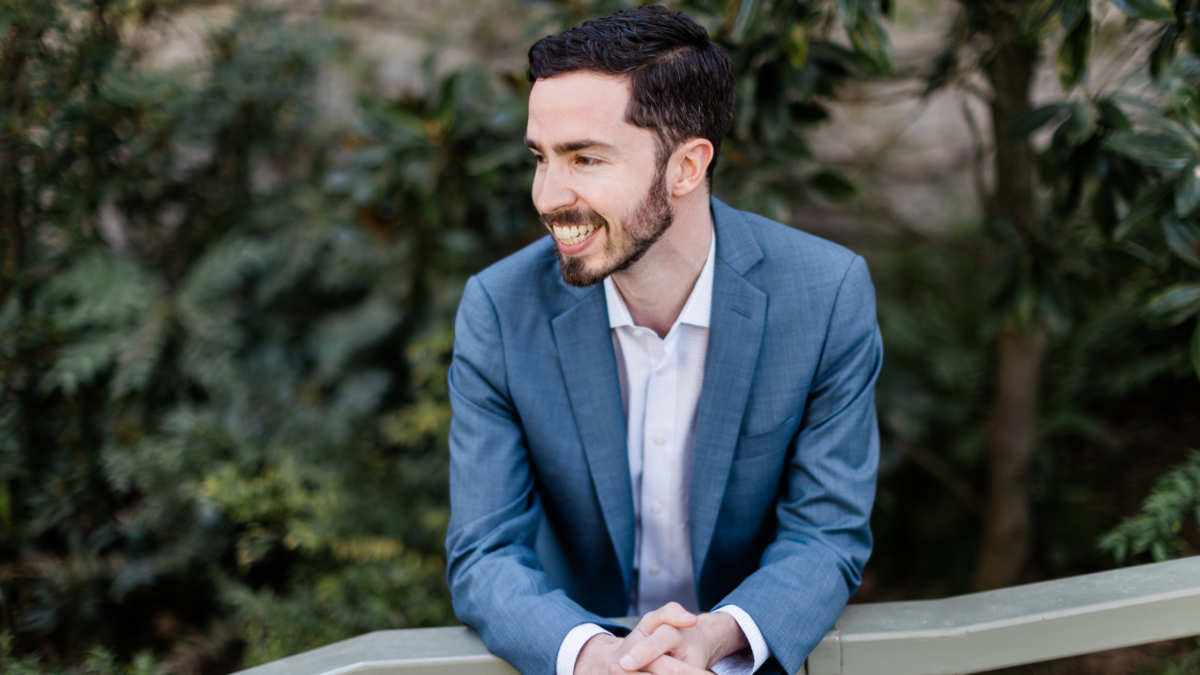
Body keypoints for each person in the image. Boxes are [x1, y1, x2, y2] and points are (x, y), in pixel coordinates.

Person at [444, 6, 881, 675]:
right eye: (541, 157)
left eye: (585, 158)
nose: (548, 195)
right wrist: (598, 656)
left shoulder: (825, 296)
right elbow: (483, 553)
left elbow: (825, 534)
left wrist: (711, 640)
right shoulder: (499, 310)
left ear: (687, 166)